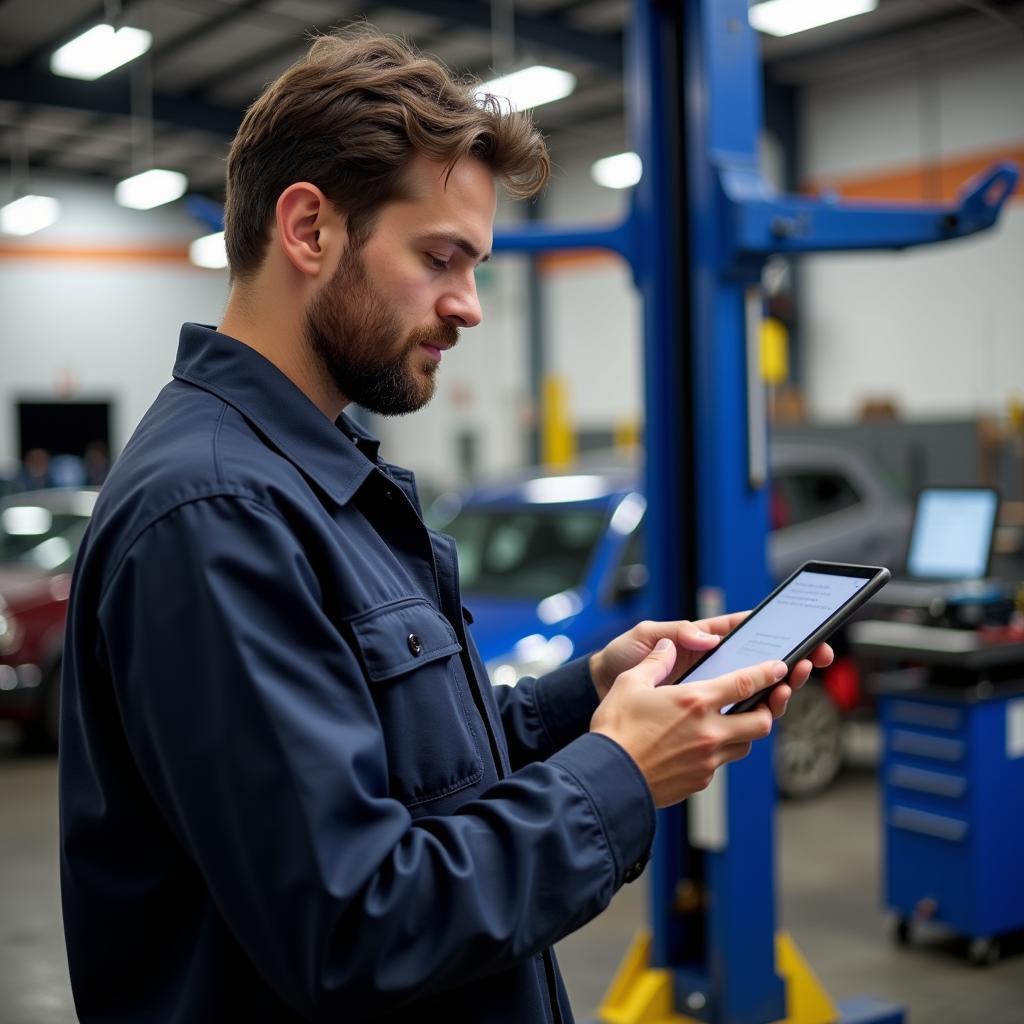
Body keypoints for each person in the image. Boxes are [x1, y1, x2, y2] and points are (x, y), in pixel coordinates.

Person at [59, 28, 831, 1024]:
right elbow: (351, 921)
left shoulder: (306, 480)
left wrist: (587, 693)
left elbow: (409, 780)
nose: (468, 306)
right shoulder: (217, 516)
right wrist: (619, 774)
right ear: (308, 230)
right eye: (439, 258)